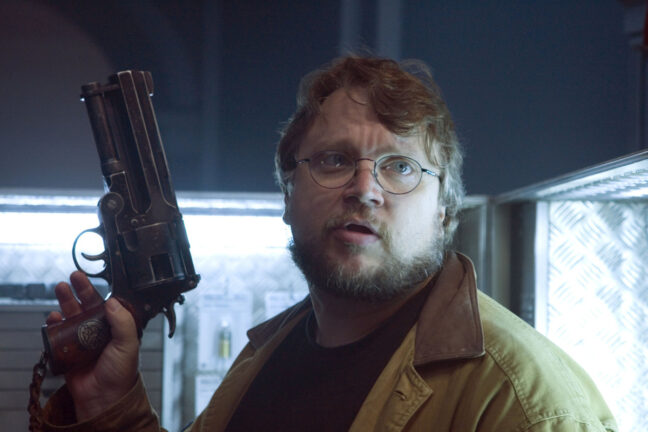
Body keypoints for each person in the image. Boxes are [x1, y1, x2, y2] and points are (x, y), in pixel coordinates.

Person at [41, 56, 617, 431]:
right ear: (288, 194)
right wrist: (110, 405)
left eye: (400, 167)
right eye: (335, 160)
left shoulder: (526, 404)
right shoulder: (264, 356)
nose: (364, 189)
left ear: (444, 212)